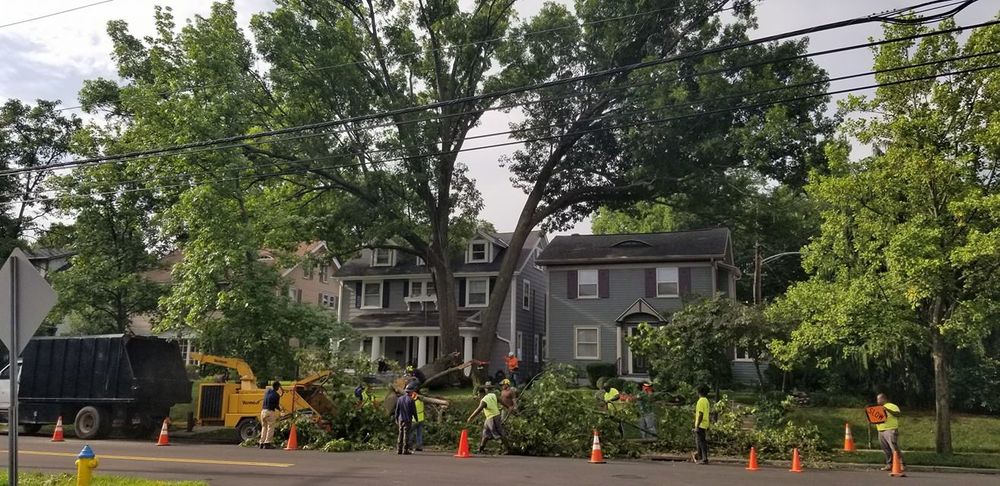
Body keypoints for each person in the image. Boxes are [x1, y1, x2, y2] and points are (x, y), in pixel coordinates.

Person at [467, 383, 508, 454]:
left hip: (492, 417)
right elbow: (501, 401)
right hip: (491, 417)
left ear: (481, 393)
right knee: (485, 433)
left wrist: (470, 418)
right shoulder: (492, 395)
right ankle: (481, 449)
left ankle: (508, 449)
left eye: (478, 394)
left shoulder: (483, 401)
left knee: (500, 433)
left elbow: (478, 410)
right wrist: (508, 407)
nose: (478, 396)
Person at [876, 393, 904, 471]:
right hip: (881, 430)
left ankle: (901, 464)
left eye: (879, 399)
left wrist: (887, 410)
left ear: (883, 398)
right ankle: (889, 464)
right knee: (885, 448)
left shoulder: (892, 406)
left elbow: (898, 414)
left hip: (890, 429)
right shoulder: (878, 408)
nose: (877, 401)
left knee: (894, 447)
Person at [394, 384, 418, 455]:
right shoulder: (411, 400)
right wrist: (416, 419)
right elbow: (414, 411)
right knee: (406, 434)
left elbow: (397, 410)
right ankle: (405, 449)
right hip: (407, 419)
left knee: (400, 434)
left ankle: (399, 449)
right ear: (411, 392)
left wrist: (396, 418)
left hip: (400, 419)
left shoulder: (400, 399)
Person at [259, 381, 282, 449]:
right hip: (270, 412)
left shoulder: (267, 392)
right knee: (270, 427)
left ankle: (261, 442)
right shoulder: (276, 395)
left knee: (264, 427)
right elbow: (276, 405)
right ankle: (267, 443)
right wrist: (281, 410)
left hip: (263, 411)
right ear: (277, 387)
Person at [693, 385, 711, 464]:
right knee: (699, 441)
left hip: (700, 424)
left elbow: (700, 414)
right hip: (705, 424)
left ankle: (704, 459)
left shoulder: (700, 401)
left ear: (699, 392)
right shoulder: (706, 400)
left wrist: (697, 426)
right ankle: (699, 456)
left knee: (701, 442)